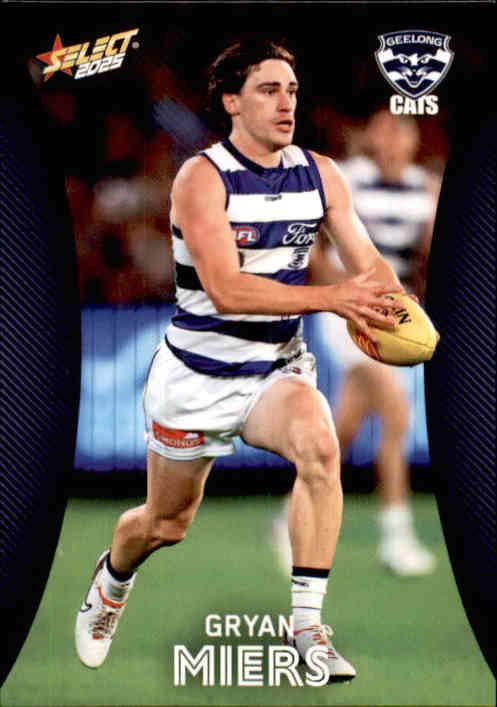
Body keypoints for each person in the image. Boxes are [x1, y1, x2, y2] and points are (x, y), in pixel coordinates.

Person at [75, 40, 406, 682]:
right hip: (196, 377)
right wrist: (334, 297)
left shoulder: (322, 175)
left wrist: (396, 308)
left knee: (320, 446)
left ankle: (305, 626)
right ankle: (111, 582)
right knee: (165, 524)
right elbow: (227, 291)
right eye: (268, 90)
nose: (286, 103)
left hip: (275, 369)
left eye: (292, 91)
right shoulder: (201, 178)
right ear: (231, 102)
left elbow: (369, 266)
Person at [271, 109, 439, 577]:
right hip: (350, 312)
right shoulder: (348, 180)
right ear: (370, 135)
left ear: (414, 139)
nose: (394, 138)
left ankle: (288, 519)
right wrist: (345, 298)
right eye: (385, 128)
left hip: (393, 315)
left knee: (340, 433)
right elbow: (313, 250)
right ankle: (396, 539)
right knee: (396, 413)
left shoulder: (425, 190)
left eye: (403, 129)